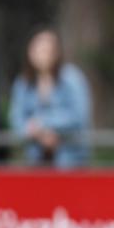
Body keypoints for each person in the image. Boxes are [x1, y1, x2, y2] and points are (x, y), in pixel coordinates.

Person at [9, 28, 91, 168]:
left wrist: (44, 124)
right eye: (38, 49)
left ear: (57, 52)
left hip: (70, 158)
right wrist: (36, 134)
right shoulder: (23, 83)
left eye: (47, 49)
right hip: (35, 157)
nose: (42, 54)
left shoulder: (72, 78)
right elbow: (16, 118)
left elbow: (79, 115)